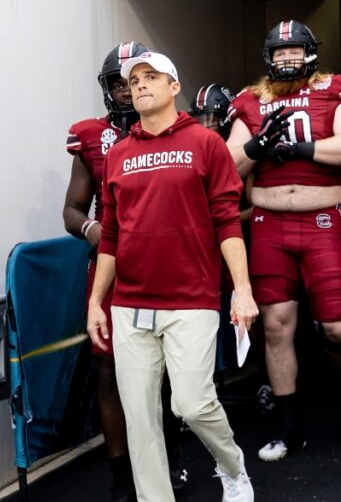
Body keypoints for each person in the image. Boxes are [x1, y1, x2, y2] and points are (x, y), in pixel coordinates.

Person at [86, 51, 255, 502]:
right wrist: (95, 303)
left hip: (191, 300)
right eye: (134, 79)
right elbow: (110, 235)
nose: (140, 85)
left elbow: (227, 221)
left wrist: (242, 291)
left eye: (151, 77)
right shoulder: (119, 155)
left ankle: (232, 466)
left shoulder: (205, 144)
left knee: (192, 405)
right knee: (140, 420)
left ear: (173, 86)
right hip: (129, 306)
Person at [225, 20, 341, 461]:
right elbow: (226, 166)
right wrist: (256, 150)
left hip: (322, 220)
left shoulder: (337, 88)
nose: (287, 58)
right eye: (280, 52)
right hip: (269, 224)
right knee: (275, 326)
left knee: (336, 327)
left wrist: (303, 149)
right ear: (269, 57)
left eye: (295, 50)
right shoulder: (250, 100)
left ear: (310, 52)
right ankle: (289, 428)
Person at [62, 41, 188, 500]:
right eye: (120, 83)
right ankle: (121, 476)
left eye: (138, 80)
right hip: (113, 267)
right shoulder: (92, 137)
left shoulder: (182, 131)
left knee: (170, 371)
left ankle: (171, 458)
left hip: (168, 263)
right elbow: (72, 210)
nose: (128, 91)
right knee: (109, 369)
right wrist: (96, 228)